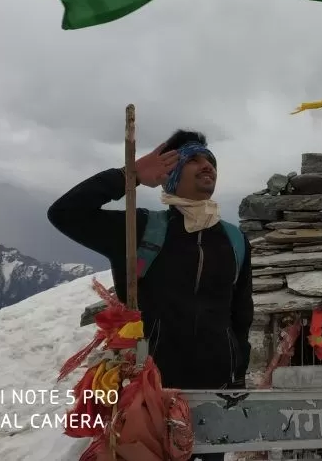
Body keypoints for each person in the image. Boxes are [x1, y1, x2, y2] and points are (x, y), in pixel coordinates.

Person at [48, 129, 253, 393]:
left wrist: (238, 375)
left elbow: (241, 315)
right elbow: (64, 213)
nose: (207, 166)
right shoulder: (140, 230)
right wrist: (128, 175)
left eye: (210, 161)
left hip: (219, 388)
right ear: (170, 172)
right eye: (193, 159)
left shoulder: (235, 240)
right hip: (147, 391)